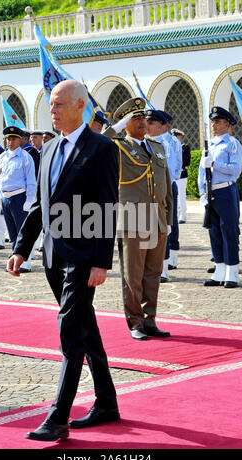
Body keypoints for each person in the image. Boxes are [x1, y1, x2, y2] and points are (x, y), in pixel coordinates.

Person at [7, 79, 120, 442]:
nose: (51, 110)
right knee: (85, 326)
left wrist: (102, 261)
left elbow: (106, 206)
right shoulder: (49, 149)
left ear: (79, 106)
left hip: (85, 258)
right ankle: (107, 401)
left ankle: (58, 416)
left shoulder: (101, 148)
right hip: (53, 256)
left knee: (70, 332)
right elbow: (41, 205)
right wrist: (21, 247)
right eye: (50, 104)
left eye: (58, 104)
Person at [103, 101, 173, 341]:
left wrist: (169, 218)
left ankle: (150, 319)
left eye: (144, 118)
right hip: (132, 219)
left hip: (158, 218)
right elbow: (98, 144)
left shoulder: (157, 147)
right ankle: (135, 321)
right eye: (136, 118)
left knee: (153, 273)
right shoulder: (117, 147)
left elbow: (167, 185)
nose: (143, 122)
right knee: (132, 275)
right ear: (125, 123)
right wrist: (116, 127)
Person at [198, 106, 242, 288]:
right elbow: (202, 172)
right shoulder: (210, 145)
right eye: (213, 122)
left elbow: (235, 170)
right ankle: (219, 271)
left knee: (229, 232)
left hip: (226, 190)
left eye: (218, 121)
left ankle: (232, 273)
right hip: (212, 192)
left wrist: (215, 163)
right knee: (214, 232)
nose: (214, 125)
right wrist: (202, 192)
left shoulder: (232, 144)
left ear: (226, 124)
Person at [146, 110, 182, 278]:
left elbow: (171, 169)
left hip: (164, 189)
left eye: (151, 123)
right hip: (147, 191)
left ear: (160, 125)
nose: (147, 125)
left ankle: (164, 267)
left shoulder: (167, 144)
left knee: (164, 227)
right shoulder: (144, 142)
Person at [0, 126, 36, 273]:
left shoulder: (26, 157)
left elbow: (31, 181)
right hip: (6, 198)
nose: (10, 142)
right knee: (12, 232)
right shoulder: (2, 157)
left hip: (19, 197)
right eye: (8, 138)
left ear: (20, 140)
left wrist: (29, 200)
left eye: (13, 138)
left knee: (23, 231)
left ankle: (27, 260)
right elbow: (1, 178)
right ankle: (15, 259)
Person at [171, 128, 191, 225]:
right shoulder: (170, 147)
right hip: (172, 175)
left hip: (181, 174)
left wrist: (177, 165)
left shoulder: (185, 148)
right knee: (174, 195)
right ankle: (176, 213)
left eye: (176, 136)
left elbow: (187, 162)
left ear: (180, 137)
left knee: (181, 195)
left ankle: (182, 214)